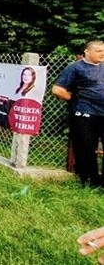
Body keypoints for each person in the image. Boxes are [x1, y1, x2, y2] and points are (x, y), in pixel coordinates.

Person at [52, 40, 104, 187]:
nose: (102, 54)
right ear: (87, 52)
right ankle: (88, 182)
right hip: (84, 113)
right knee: (86, 148)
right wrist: (76, 99)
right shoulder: (75, 68)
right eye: (99, 51)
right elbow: (57, 89)